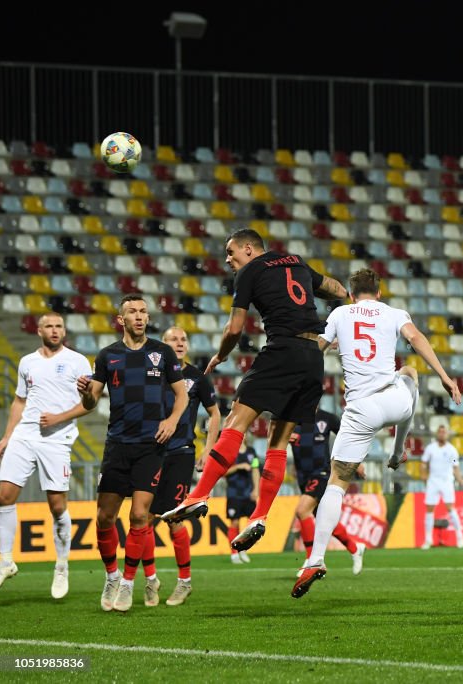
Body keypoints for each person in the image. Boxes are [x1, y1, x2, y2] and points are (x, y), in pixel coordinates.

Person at [160, 228, 348, 555]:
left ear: (249, 248)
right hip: (312, 358)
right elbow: (339, 290)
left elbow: (235, 328)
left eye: (231, 253)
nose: (229, 260)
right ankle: (259, 515)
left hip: (282, 351)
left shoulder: (249, 271)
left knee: (236, 421)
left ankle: (198, 495)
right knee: (277, 440)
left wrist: (221, 354)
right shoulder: (298, 263)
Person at [292, 268, 461, 598]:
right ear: (379, 294)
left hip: (360, 410)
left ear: (352, 294)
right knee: (410, 375)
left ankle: (316, 559)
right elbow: (416, 339)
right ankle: (398, 451)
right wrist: (443, 375)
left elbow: (316, 349)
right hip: (394, 401)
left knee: (337, 485)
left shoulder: (340, 313)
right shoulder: (394, 313)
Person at [77, 295, 188, 613]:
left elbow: (181, 395)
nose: (139, 316)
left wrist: (171, 420)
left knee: (140, 516)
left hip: (150, 446)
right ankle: (111, 575)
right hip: (118, 445)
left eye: (143, 312)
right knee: (104, 517)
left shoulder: (162, 353)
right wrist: (85, 394)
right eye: (132, 312)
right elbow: (92, 402)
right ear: (120, 319)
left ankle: (127, 584)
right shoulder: (107, 356)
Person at [0, 313, 92, 599]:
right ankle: (5, 561)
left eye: (59, 326)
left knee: (56, 505)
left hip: (57, 439)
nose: (55, 330)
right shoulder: (28, 362)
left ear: (64, 331)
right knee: (3, 496)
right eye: (49, 326)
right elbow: (19, 400)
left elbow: (89, 404)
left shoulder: (78, 361)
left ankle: (62, 565)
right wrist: (7, 436)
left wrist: (58, 418)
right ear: (38, 330)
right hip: (25, 434)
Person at [146, 327, 221, 606]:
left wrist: (209, 450)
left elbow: (215, 414)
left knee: (173, 519)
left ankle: (184, 582)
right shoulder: (153, 374)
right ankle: (151, 579)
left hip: (181, 453)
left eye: (183, 339)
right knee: (143, 520)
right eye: (172, 339)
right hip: (151, 452)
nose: (179, 343)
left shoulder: (196, 377)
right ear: (162, 346)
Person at [290, 410, 366, 574]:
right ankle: (355, 548)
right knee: (324, 520)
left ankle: (311, 560)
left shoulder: (327, 418)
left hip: (322, 473)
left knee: (302, 510)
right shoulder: (292, 418)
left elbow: (349, 435)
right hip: (303, 477)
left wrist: (356, 459)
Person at [420, 424, 463, 550]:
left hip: (446, 481)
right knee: (429, 508)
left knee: (450, 508)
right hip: (433, 481)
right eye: (440, 432)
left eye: (444, 432)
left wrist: (460, 478)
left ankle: (460, 537)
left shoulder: (451, 450)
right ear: (437, 434)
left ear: (447, 434)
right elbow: (424, 463)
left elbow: (455, 466)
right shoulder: (431, 448)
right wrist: (423, 474)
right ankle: (428, 539)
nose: (442, 434)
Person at [225, 433, 260, 564]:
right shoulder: (230, 451)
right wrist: (238, 467)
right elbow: (224, 472)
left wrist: (256, 489)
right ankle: (234, 553)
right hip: (234, 493)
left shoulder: (252, 451)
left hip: (248, 493)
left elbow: (256, 469)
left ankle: (243, 549)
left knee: (250, 525)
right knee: (234, 523)